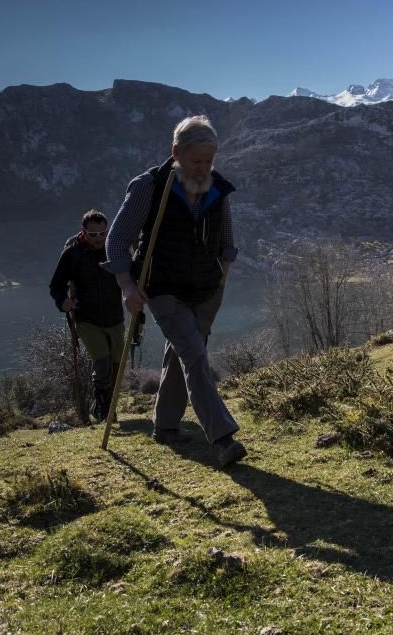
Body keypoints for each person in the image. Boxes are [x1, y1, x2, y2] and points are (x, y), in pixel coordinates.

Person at [102, 115, 246, 468]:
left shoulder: (217, 189)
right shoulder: (149, 187)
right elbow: (118, 239)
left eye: (209, 161)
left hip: (206, 290)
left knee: (182, 353)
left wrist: (221, 282)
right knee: (195, 355)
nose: (203, 168)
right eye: (197, 160)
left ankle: (165, 427)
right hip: (163, 288)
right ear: (176, 152)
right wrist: (127, 287)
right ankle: (223, 439)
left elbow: (226, 242)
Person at [49, 209, 125, 421]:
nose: (99, 238)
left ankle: (104, 407)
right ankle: (105, 411)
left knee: (117, 367)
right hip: (86, 319)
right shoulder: (72, 254)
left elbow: (131, 273)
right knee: (102, 363)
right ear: (83, 232)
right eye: (93, 235)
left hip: (115, 318)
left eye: (102, 233)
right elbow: (56, 285)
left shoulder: (115, 248)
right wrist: (63, 302)